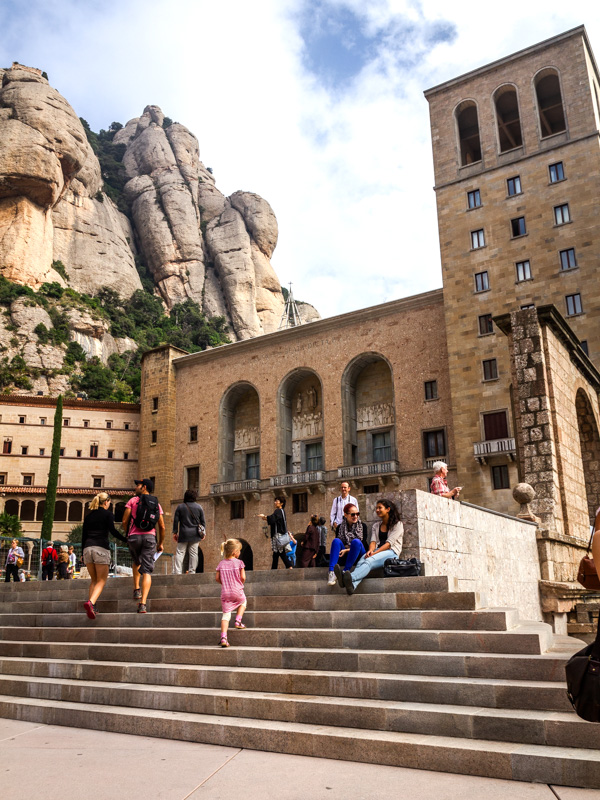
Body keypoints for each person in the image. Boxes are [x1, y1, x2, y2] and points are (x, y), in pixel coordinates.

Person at [341, 498, 404, 595]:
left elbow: (389, 544)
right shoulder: (376, 526)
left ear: (388, 509)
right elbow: (373, 542)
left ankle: (348, 578)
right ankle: (352, 586)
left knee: (369, 561)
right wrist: (370, 551)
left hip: (391, 552)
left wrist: (374, 553)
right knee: (361, 562)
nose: (377, 510)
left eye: (380, 508)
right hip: (377, 551)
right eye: (376, 508)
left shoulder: (398, 525)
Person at [81, 491, 128, 619]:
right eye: (109, 502)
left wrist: (82, 553)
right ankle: (91, 603)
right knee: (101, 580)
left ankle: (93, 607)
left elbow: (84, 535)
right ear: (106, 502)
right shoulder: (108, 514)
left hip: (87, 549)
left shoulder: (88, 516)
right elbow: (113, 531)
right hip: (100, 548)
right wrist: (125, 539)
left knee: (94, 580)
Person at [122, 479, 165, 614]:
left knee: (136, 561)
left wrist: (128, 533)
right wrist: (160, 543)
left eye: (138, 485)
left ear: (144, 487)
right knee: (147, 571)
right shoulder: (156, 503)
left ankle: (136, 589)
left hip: (134, 537)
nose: (136, 487)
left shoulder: (133, 501)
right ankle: (143, 604)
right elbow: (162, 526)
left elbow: (124, 520)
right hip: (150, 538)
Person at [216, 538, 247, 648]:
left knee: (226, 615)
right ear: (234, 552)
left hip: (225, 592)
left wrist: (224, 583)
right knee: (243, 602)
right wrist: (239, 583)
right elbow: (243, 577)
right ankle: (238, 620)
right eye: (239, 551)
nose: (240, 553)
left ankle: (223, 637)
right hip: (237, 590)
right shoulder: (239, 563)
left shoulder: (221, 564)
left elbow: (217, 578)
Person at [328, 503, 365, 586]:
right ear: (345, 515)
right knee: (336, 541)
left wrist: (347, 549)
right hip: (344, 555)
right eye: (353, 514)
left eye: (357, 514)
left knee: (356, 542)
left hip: (358, 555)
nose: (355, 516)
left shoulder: (362, 526)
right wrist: (346, 550)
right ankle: (331, 572)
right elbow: (339, 545)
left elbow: (362, 544)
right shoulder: (340, 527)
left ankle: (345, 572)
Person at [172, 488, 206, 574]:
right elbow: (203, 522)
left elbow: (176, 521)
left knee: (180, 552)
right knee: (194, 553)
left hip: (183, 533)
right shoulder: (199, 507)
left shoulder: (180, 507)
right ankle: (192, 571)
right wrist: (203, 533)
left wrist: (175, 532)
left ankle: (177, 572)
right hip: (195, 534)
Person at [258, 497, 293, 569]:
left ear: (281, 503)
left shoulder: (278, 511)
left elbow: (273, 518)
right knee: (276, 553)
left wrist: (265, 516)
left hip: (278, 535)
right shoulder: (282, 511)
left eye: (277, 501)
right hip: (281, 534)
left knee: (280, 551)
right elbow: (275, 519)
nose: (275, 502)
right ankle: (274, 569)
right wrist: (266, 518)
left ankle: (289, 566)